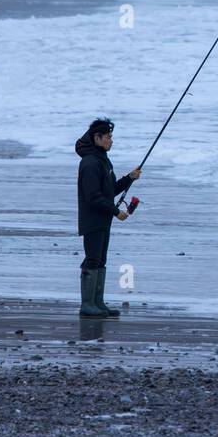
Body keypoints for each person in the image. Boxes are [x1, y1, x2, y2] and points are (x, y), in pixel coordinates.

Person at [75, 117, 141, 318]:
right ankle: (87, 305)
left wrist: (129, 178)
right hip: (93, 220)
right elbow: (94, 197)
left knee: (101, 259)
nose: (111, 140)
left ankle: (98, 303)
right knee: (93, 259)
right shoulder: (89, 163)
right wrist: (116, 212)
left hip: (103, 219)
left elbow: (108, 190)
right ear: (97, 137)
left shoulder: (102, 159)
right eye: (109, 137)